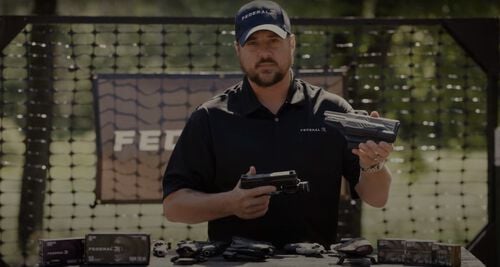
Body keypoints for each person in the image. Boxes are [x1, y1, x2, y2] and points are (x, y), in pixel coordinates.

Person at [162, 0, 393, 248]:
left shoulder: (332, 110)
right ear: (238, 49)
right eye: (253, 43)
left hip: (313, 264)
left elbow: (378, 197)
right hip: (233, 262)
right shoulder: (209, 117)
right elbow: (174, 206)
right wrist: (231, 203)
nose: (264, 53)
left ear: (291, 44)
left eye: (273, 41)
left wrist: (372, 165)